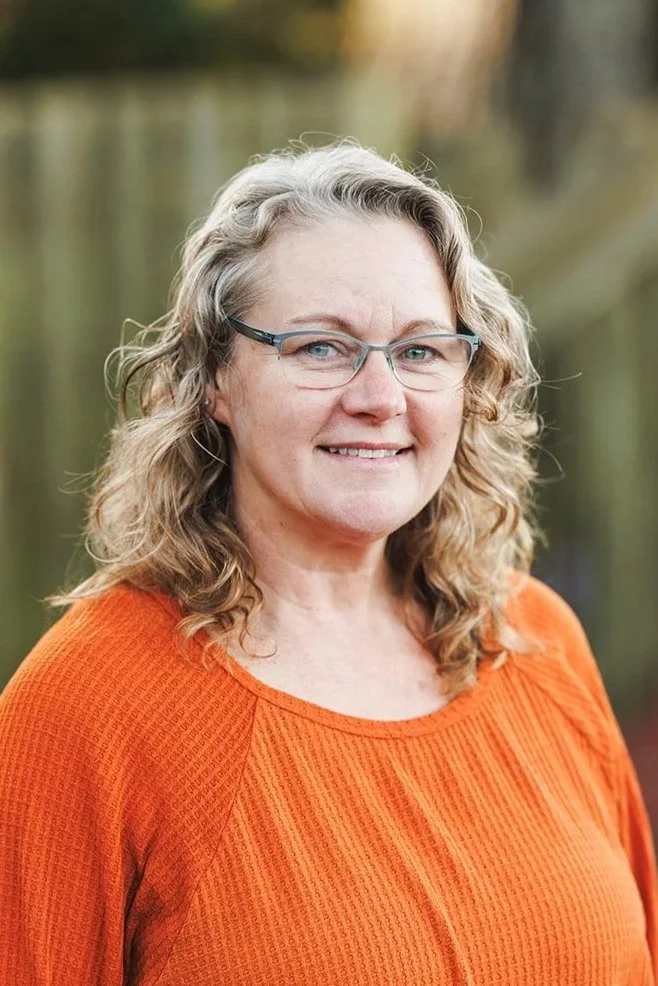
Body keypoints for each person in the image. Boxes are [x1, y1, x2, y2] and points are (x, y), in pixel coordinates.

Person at [0, 141, 656, 986]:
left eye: (421, 350)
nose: (380, 398)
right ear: (216, 381)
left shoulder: (537, 642)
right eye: (319, 347)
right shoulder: (84, 711)